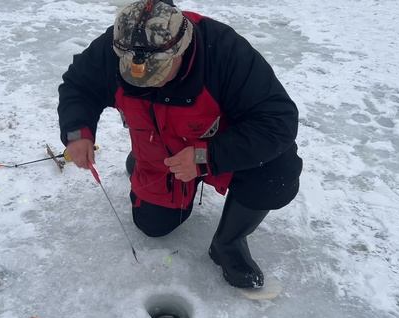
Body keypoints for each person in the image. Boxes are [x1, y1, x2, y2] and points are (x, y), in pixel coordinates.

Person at [58, 0, 302, 288]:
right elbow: (79, 86)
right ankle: (142, 159)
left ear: (181, 48)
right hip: (160, 155)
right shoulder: (117, 43)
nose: (149, 83)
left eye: (157, 73)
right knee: (153, 226)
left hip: (215, 150)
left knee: (277, 173)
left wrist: (205, 157)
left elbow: (278, 121)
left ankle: (228, 243)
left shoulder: (225, 52)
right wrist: (78, 133)